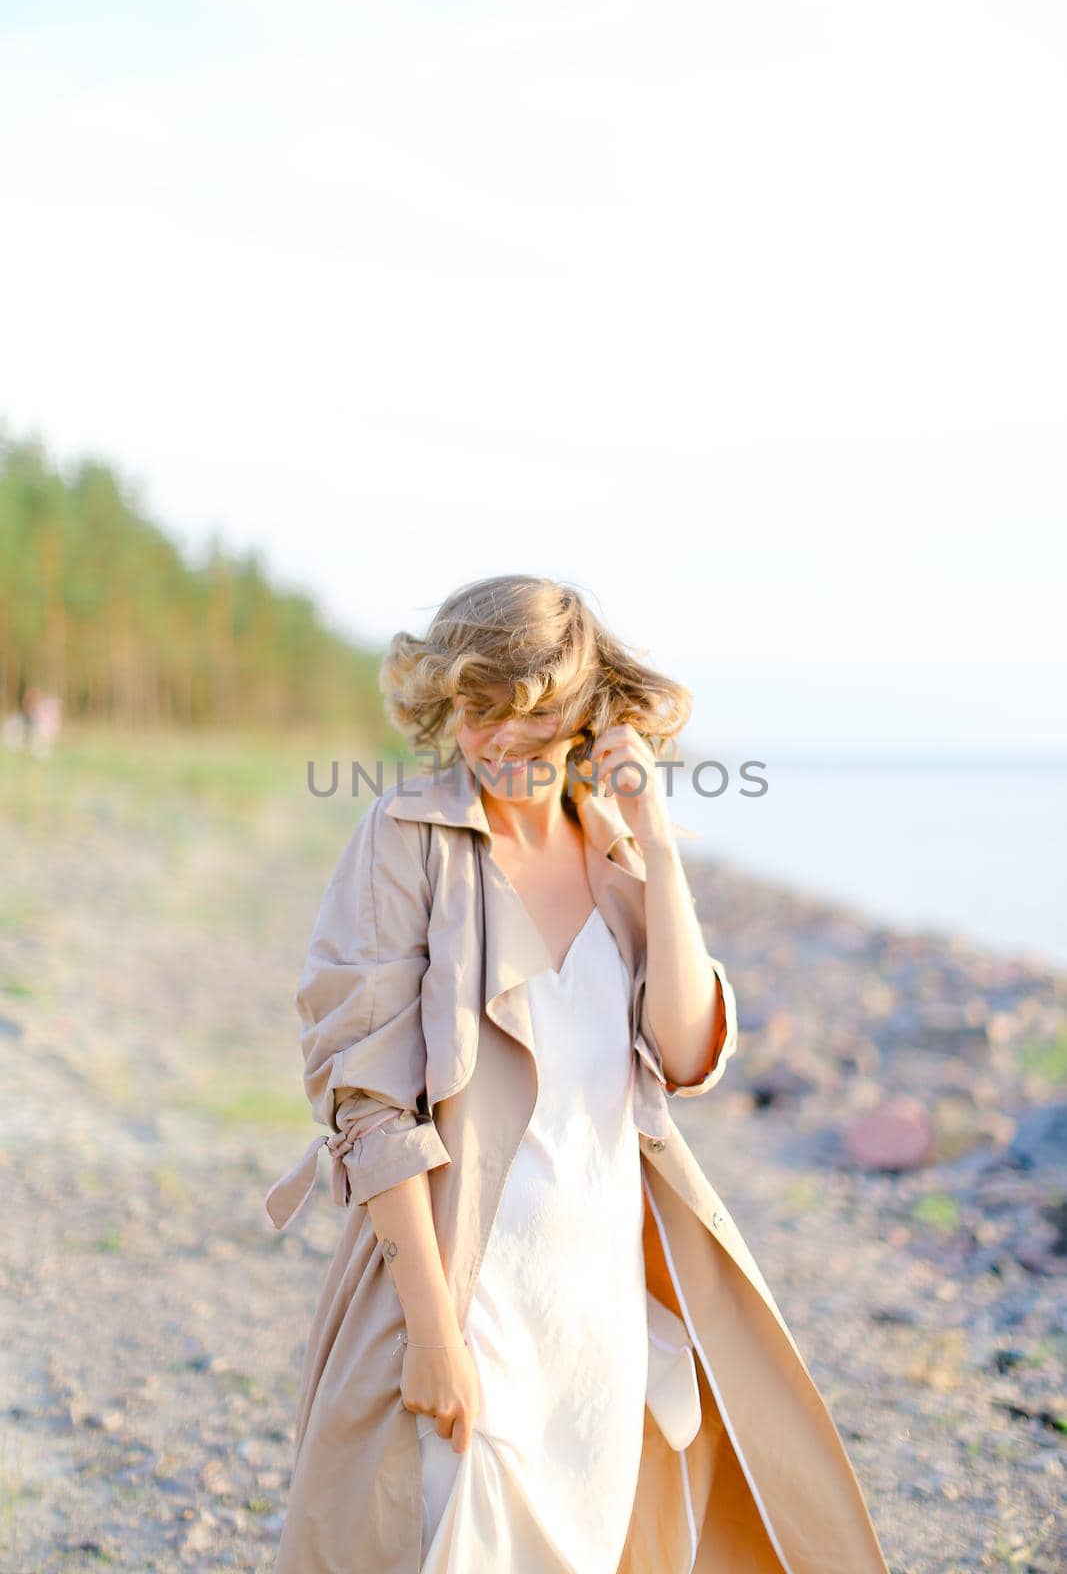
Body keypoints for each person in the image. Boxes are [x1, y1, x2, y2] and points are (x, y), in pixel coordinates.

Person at [265, 574, 892, 1574]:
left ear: (587, 713)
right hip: (467, 1289)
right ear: (444, 702)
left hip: (593, 1304)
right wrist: (431, 1335)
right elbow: (366, 1104)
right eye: (477, 710)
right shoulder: (404, 840)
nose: (502, 742)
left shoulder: (611, 848)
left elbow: (686, 1054)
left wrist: (652, 841)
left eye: (536, 713)